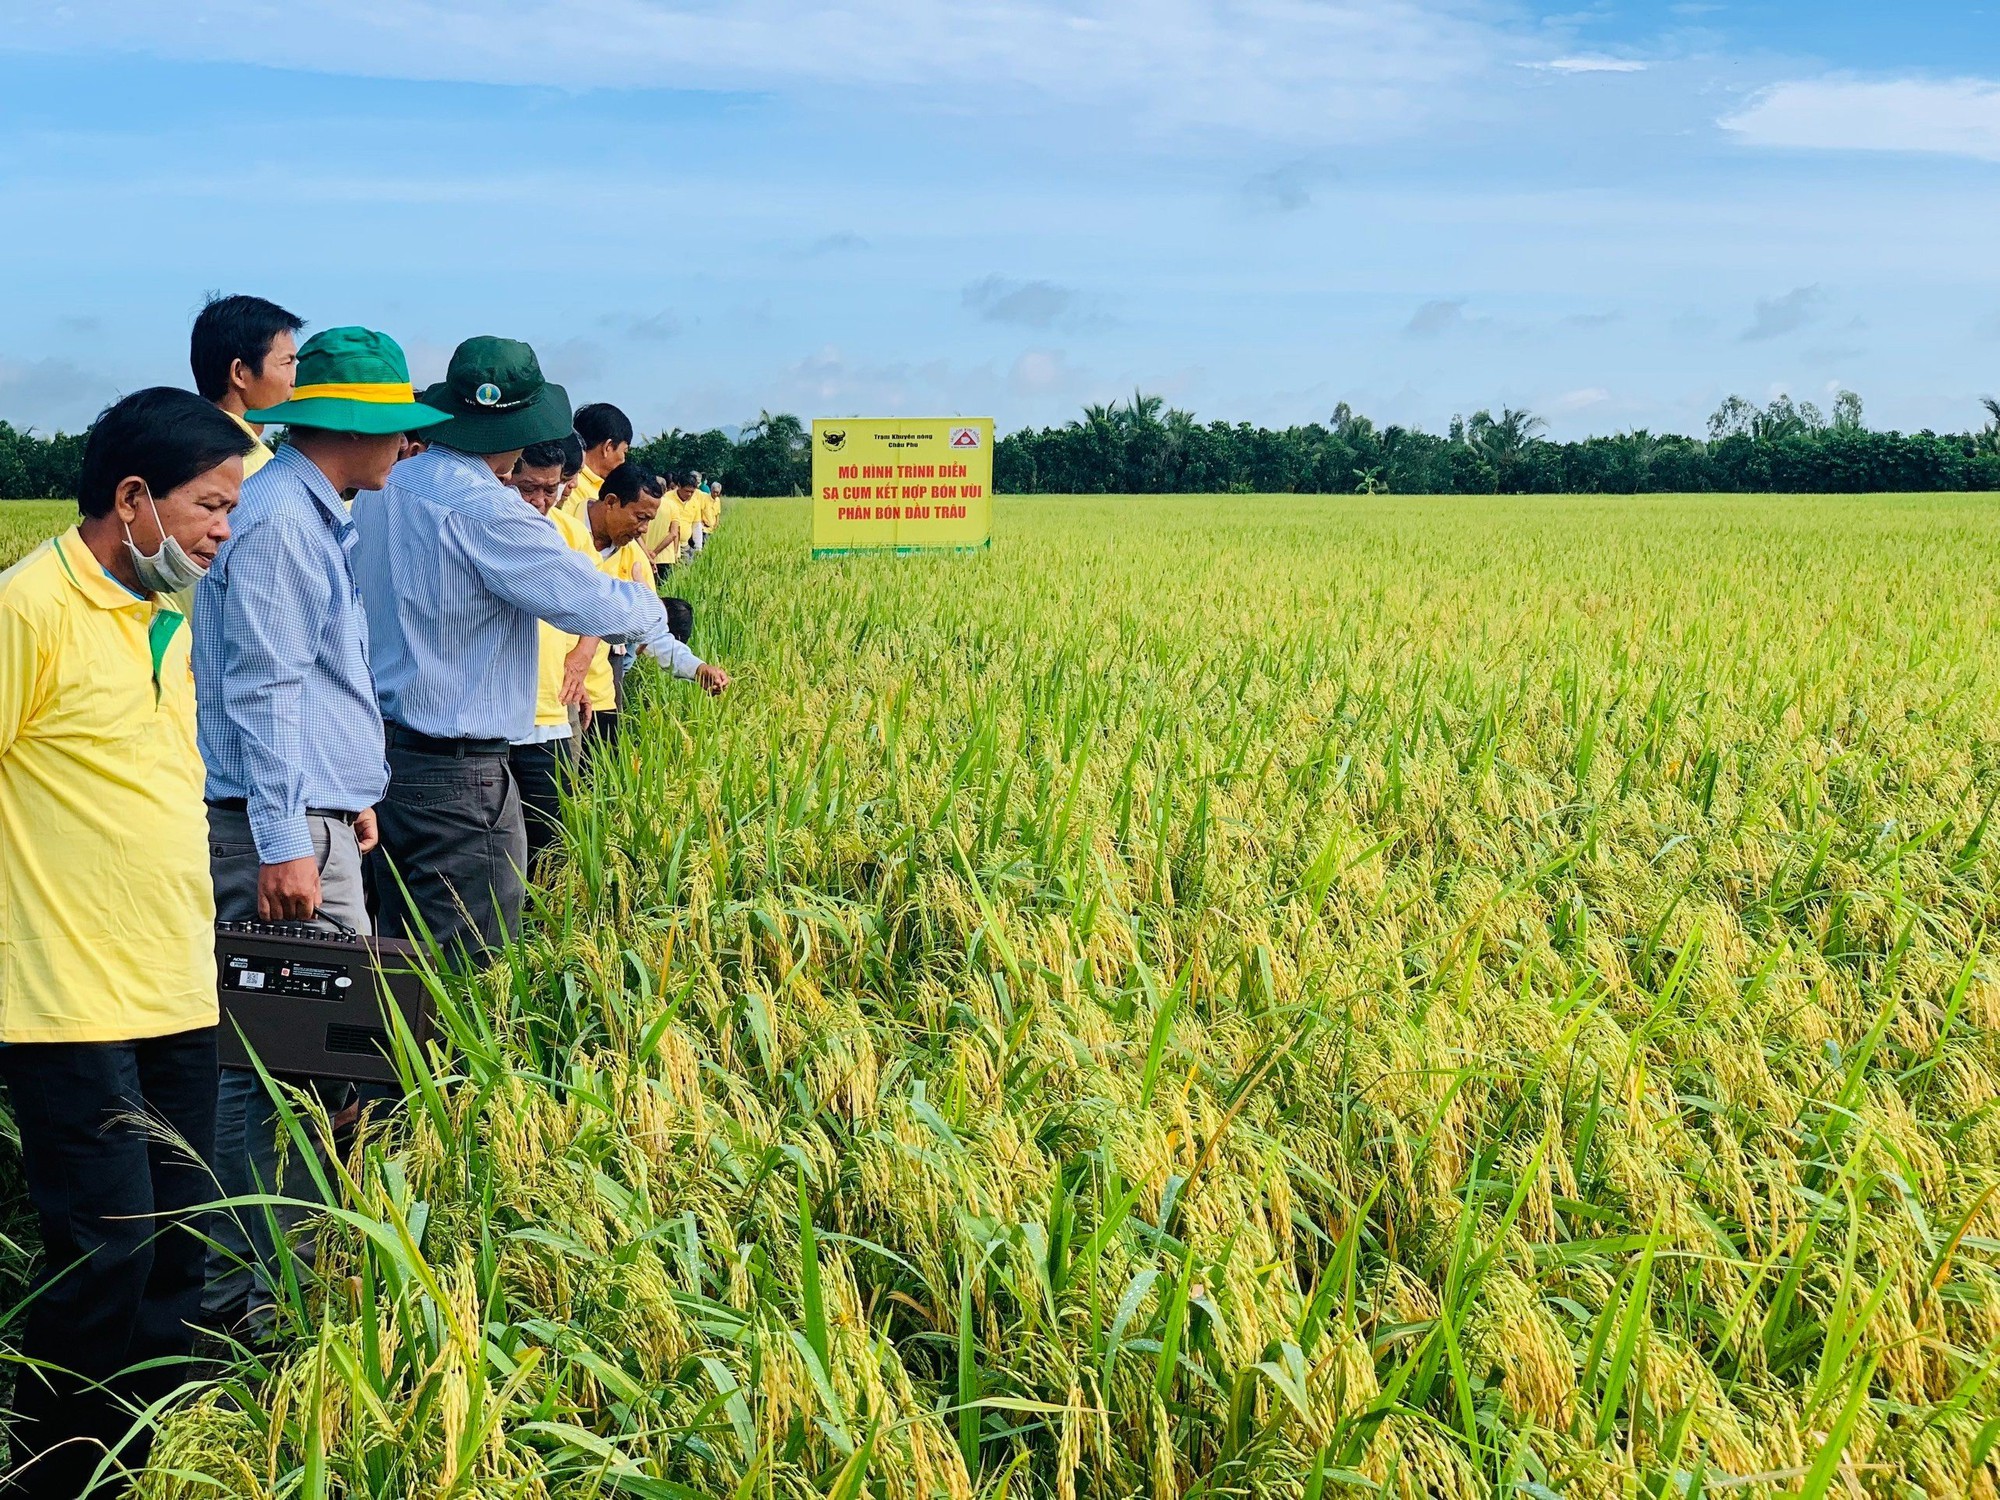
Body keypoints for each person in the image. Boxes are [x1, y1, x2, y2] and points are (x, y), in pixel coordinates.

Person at [0, 388, 254, 1498]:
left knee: (176, 1254)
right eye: (210, 505)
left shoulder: (167, 614)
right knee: (104, 1260)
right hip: (65, 1003)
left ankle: (146, 1462)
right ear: (133, 497)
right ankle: (56, 1474)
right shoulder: (25, 612)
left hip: (175, 990)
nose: (222, 530)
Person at [191, 328, 449, 1341]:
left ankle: (280, 1277)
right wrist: (287, 837)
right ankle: (245, 1308)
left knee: (313, 1060)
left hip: (315, 815)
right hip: (283, 831)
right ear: (357, 426)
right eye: (397, 427)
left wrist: (346, 792)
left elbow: (315, 683)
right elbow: (262, 686)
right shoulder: (283, 523)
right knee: (271, 1069)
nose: (406, 447)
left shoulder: (313, 509)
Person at [351, 338, 727, 956]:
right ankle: (449, 1054)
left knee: (397, 939)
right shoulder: (488, 510)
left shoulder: (384, 489)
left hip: (382, 758)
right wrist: (654, 606)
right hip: (456, 771)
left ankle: (397, 1049)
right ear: (516, 431)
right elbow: (589, 601)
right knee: (470, 952)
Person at [506, 438, 597, 868]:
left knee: (548, 841)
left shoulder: (571, 533)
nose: (540, 501)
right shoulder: (486, 528)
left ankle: (544, 930)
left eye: (550, 489)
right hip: (493, 720)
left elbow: (596, 605)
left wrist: (580, 661)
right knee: (500, 848)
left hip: (550, 711)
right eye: (527, 488)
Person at [581, 462, 661, 747]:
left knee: (599, 772)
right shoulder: (562, 529)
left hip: (600, 687)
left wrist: (694, 668)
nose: (644, 529)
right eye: (641, 517)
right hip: (550, 692)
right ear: (611, 502)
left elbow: (651, 624)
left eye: (650, 520)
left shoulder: (632, 554)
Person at [189, 293, 304, 480]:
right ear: (239, 373)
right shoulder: (254, 467)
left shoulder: (185, 446)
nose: (295, 379)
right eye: (287, 363)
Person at [564, 402, 632, 516]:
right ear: (608, 447)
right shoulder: (572, 488)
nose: (623, 460)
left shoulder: (565, 478)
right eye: (624, 452)